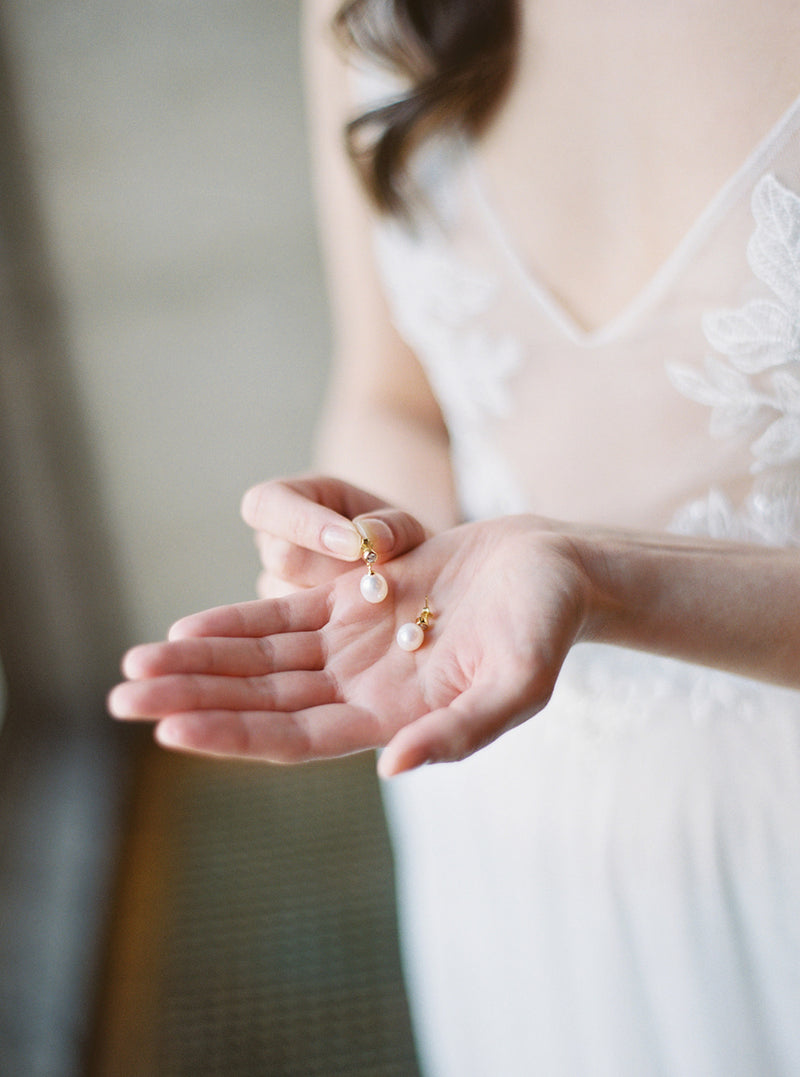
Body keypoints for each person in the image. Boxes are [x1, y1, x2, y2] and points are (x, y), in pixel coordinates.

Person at [109, 0, 800, 1073]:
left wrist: (608, 580)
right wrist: (375, 558)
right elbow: (393, 397)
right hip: (497, 795)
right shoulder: (370, 11)